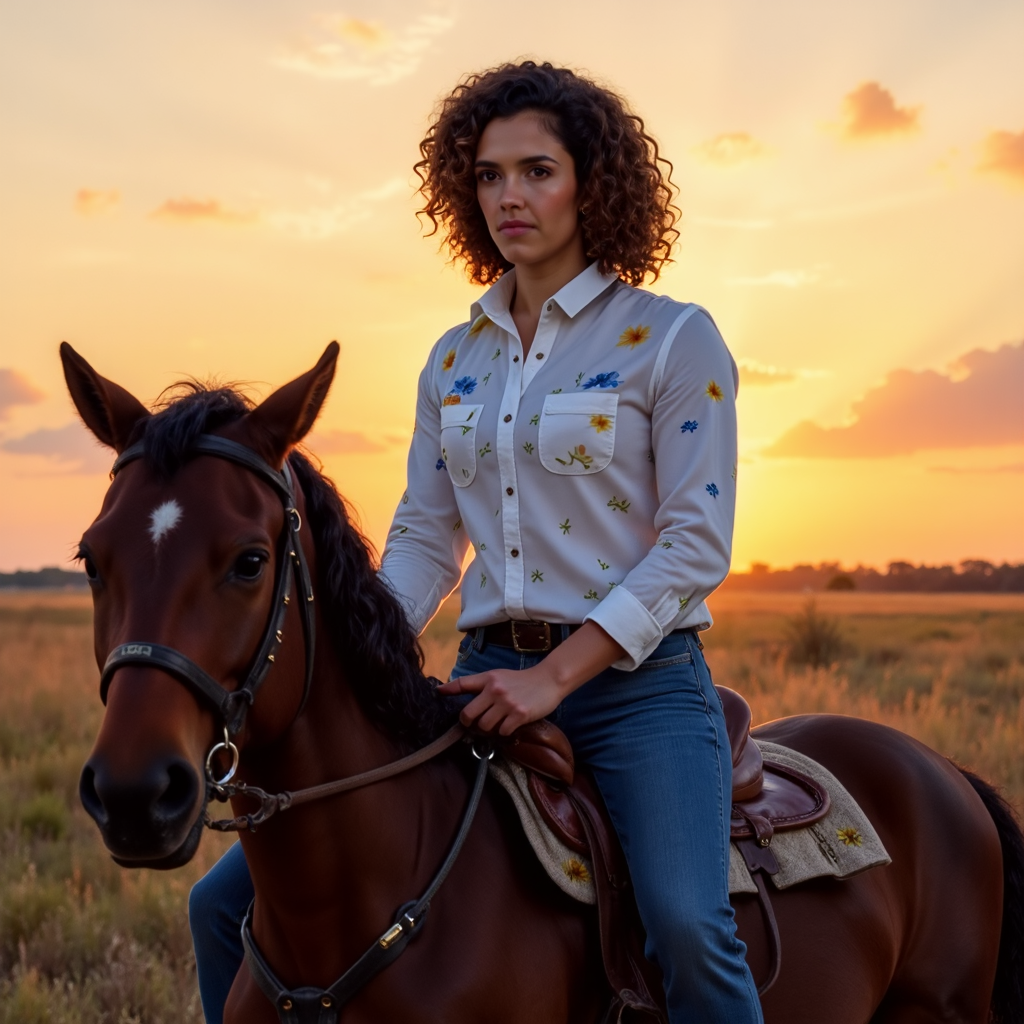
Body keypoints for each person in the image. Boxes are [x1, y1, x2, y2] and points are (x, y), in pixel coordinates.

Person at [189, 60, 762, 1024]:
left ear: (594, 180)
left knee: (686, 924)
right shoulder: (453, 358)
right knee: (220, 907)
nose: (511, 197)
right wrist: (355, 657)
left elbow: (695, 546)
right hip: (475, 684)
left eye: (537, 171)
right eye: (490, 176)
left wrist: (554, 680)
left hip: (638, 692)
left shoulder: (672, 340)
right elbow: (423, 537)